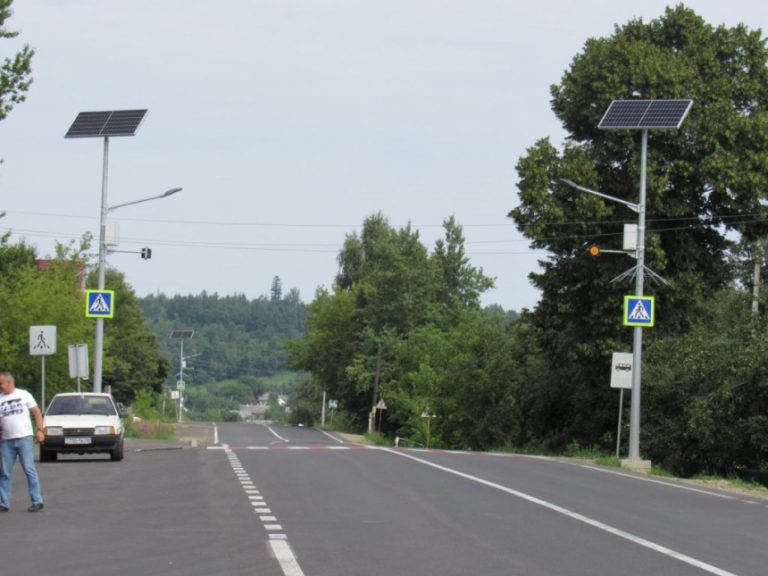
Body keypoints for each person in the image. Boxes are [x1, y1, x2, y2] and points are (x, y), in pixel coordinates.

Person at [0, 371, 44, 512]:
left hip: (24, 438)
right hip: (6, 440)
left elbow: (36, 412)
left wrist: (40, 430)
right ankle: (3, 503)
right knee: (5, 472)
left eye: (1, 384)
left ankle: (37, 501)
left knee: (29, 469)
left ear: (9, 383)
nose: (0, 386)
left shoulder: (24, 394)